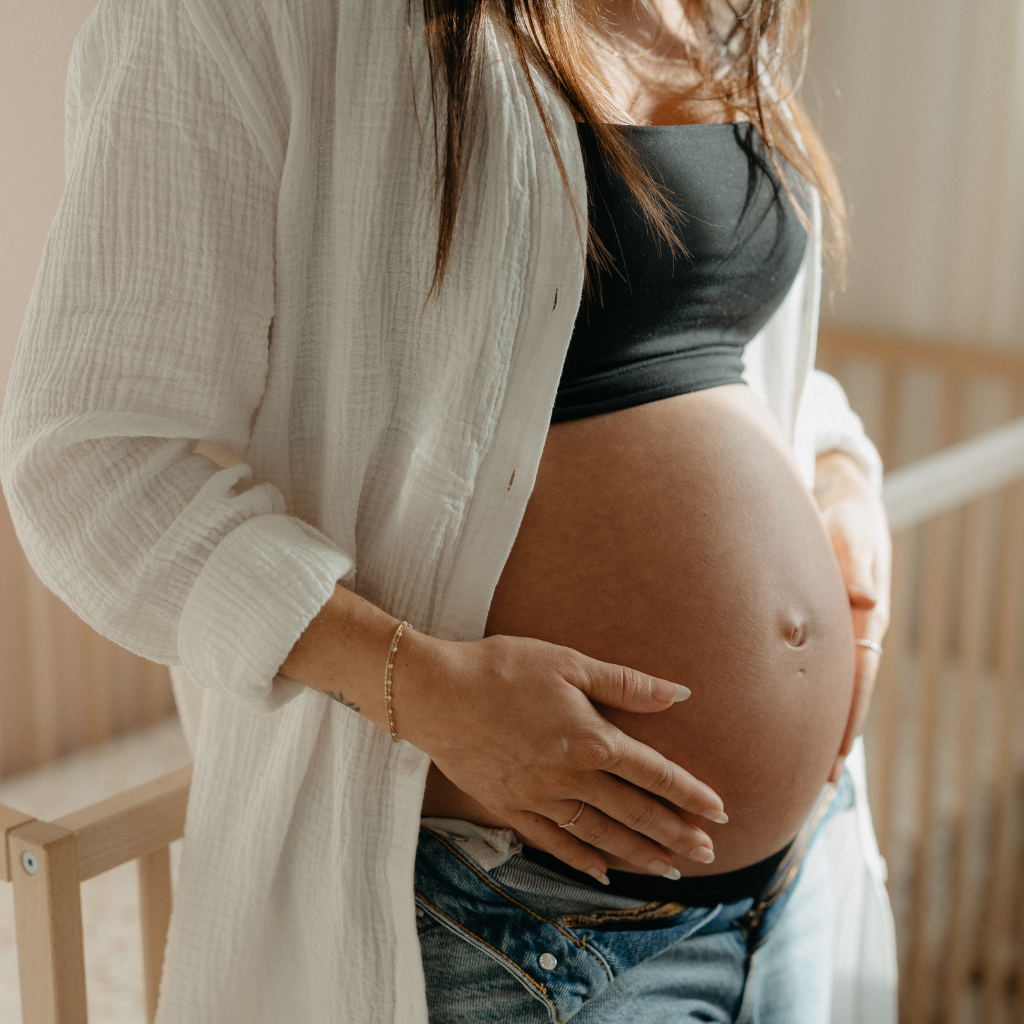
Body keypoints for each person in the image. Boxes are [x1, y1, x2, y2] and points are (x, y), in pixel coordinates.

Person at [0, 0, 896, 1020]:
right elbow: (89, 461)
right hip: (515, 926)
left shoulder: (706, 15)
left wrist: (841, 480)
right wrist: (419, 686)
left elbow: (730, 349)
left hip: (793, 880)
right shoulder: (243, 17)